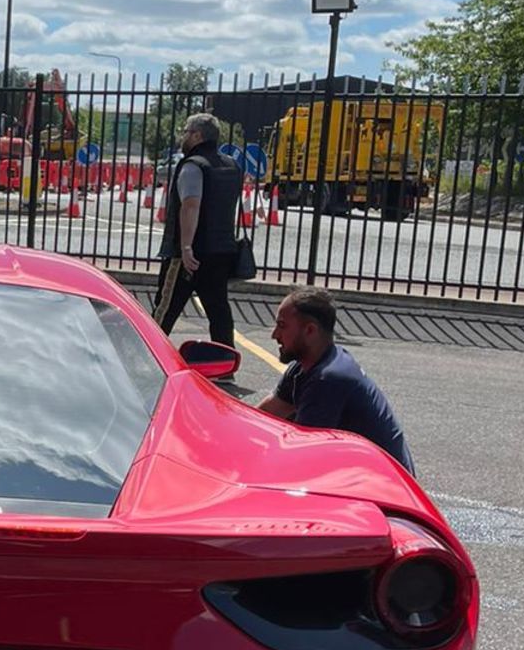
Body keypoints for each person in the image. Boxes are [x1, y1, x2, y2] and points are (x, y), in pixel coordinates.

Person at [258, 287, 415, 473]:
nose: (274, 334)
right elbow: (265, 415)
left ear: (310, 330)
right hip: (361, 476)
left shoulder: (328, 379)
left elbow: (299, 454)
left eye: (282, 326)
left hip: (386, 489)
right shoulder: (306, 365)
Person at [154, 110, 242, 346]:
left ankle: (147, 355)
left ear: (197, 136)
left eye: (186, 132)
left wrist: (185, 247)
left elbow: (191, 206)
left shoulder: (194, 166)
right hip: (222, 250)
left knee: (166, 307)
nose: (183, 137)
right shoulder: (231, 165)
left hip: (191, 254)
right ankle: (225, 361)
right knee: (219, 310)